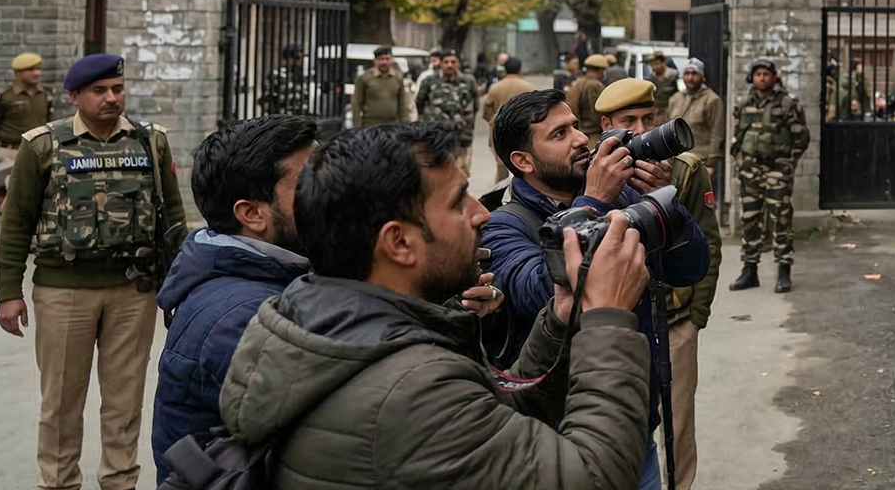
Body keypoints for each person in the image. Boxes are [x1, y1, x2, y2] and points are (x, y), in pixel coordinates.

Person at [216, 122, 654, 489]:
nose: (480, 213)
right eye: (456, 201)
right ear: (399, 242)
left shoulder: (322, 315)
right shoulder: (410, 390)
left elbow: (494, 421)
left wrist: (560, 320)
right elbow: (596, 478)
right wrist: (607, 320)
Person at [479, 87, 708, 490]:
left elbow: (690, 267)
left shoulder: (622, 192)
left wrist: (661, 199)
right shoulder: (505, 225)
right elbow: (542, 297)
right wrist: (593, 202)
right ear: (522, 161)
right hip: (557, 439)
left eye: (574, 127)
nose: (581, 139)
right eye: (559, 134)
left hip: (631, 422)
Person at [0, 53, 187, 490]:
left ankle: (119, 481)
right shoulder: (43, 144)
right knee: (62, 400)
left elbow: (171, 218)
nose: (112, 98)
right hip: (64, 292)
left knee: (124, 401)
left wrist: (177, 285)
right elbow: (16, 224)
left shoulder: (150, 142)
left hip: (133, 291)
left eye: (117, 89)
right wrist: (9, 291)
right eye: (99, 91)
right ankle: (60, 482)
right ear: (74, 96)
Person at [151, 115, 319, 482]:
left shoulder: (276, 274)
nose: (334, 193)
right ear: (253, 214)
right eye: (312, 183)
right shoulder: (244, 317)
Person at [597, 77, 722, 490]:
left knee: (678, 424)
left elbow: (710, 244)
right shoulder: (593, 173)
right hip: (621, 321)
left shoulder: (685, 169)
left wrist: (695, 319)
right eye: (628, 120)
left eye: (648, 118)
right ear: (605, 125)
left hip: (674, 318)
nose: (641, 128)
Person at [729, 59, 809, 294]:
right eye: (758, 74)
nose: (762, 78)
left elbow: (801, 138)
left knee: (781, 220)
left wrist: (787, 165)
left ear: (774, 77)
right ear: (752, 78)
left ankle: (784, 272)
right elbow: (737, 137)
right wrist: (740, 163)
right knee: (750, 220)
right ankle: (749, 270)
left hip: (777, 170)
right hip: (750, 171)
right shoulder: (743, 103)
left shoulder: (788, 104)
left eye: (766, 74)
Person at [417, 52, 479, 172]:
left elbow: (475, 105)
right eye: (446, 62)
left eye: (453, 62)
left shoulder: (468, 81)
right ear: (441, 64)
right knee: (436, 169)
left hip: (462, 134)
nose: (449, 65)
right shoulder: (429, 81)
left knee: (462, 169)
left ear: (459, 64)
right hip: (436, 133)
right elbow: (420, 102)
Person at [669, 57, 726, 185]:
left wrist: (712, 164)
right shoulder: (675, 99)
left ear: (702, 77)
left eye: (694, 74)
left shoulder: (711, 100)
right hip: (676, 162)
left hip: (700, 162)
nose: (690, 78)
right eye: (687, 73)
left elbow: (717, 133)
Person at [352, 44, 418, 127]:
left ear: (391, 60)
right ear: (375, 61)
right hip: (370, 125)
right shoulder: (364, 78)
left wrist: (405, 124)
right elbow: (357, 104)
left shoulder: (397, 78)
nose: (384, 62)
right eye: (381, 59)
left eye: (387, 59)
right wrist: (357, 126)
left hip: (393, 124)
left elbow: (403, 104)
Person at [0, 52, 51, 153]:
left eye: (38, 69)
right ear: (18, 73)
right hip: (12, 150)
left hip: (40, 149)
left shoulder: (45, 94)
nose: (36, 73)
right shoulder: (4, 96)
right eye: (31, 70)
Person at [567, 53, 610, 144]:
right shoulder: (595, 86)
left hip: (580, 131)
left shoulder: (577, 83)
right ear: (600, 70)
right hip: (593, 134)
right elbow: (599, 111)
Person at [482, 55, 535, 124]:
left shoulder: (495, 87)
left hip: (499, 126)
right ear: (520, 70)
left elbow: (487, 108)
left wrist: (493, 119)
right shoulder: (529, 87)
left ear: (505, 70)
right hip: (521, 126)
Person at [261, 43, 308, 116]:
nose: (300, 61)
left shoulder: (300, 75)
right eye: (298, 58)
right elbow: (268, 97)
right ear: (289, 58)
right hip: (282, 117)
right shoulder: (276, 74)